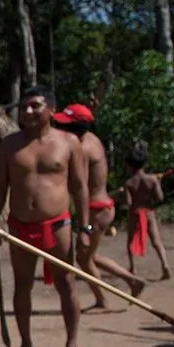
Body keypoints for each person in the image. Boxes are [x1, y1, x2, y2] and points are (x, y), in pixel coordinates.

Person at [0, 86, 90, 347]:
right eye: (24, 107)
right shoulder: (8, 145)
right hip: (20, 226)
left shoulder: (69, 143)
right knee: (22, 286)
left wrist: (85, 229)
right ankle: (26, 343)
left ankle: (71, 343)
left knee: (66, 283)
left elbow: (80, 188)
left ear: (52, 110)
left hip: (58, 225)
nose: (28, 111)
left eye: (35, 105)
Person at [51, 103, 146, 311]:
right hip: (100, 206)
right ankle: (131, 281)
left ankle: (104, 299)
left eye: (65, 125)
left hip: (95, 209)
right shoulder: (92, 140)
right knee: (88, 256)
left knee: (84, 259)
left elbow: (80, 185)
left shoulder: (82, 147)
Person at [123, 143, 172, 280]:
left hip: (135, 213)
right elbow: (160, 197)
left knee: (130, 242)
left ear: (131, 165)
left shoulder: (129, 183)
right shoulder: (152, 180)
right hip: (148, 212)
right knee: (156, 241)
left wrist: (122, 197)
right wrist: (158, 183)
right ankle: (165, 265)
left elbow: (128, 203)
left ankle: (133, 268)